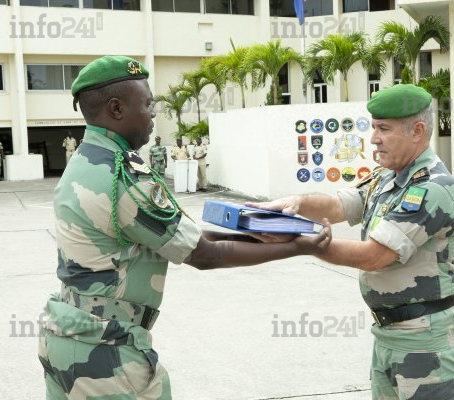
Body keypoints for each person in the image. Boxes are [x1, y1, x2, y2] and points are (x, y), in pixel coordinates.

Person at [37, 55, 331, 399]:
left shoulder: (85, 161)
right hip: (104, 354)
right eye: (147, 105)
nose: (152, 114)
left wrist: (255, 234)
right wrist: (300, 246)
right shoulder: (124, 177)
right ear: (116, 109)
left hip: (66, 334)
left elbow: (181, 237)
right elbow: (203, 254)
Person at [248, 84, 454, 400]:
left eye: (384, 129)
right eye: (373, 127)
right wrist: (295, 203)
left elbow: (374, 256)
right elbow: (339, 205)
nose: (374, 138)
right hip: (390, 336)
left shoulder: (432, 188)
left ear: (417, 132)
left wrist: (302, 243)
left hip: (425, 343)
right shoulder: (387, 177)